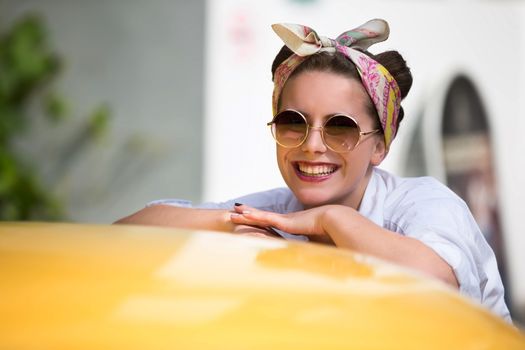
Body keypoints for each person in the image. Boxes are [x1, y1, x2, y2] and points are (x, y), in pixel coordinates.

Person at [115, 19, 511, 322]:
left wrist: (330, 219)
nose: (312, 144)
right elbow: (126, 234)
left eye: (340, 126)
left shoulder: (423, 203)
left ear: (380, 146)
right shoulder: (275, 211)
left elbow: (436, 283)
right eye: (293, 122)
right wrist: (231, 222)